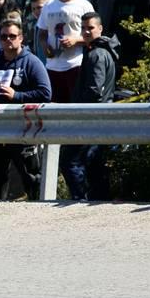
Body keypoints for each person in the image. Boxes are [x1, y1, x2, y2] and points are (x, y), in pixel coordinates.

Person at [0, 20, 52, 200]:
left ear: (21, 38)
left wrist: (16, 96)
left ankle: (37, 211)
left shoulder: (32, 62)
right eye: (4, 37)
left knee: (31, 177)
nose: (8, 39)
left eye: (12, 36)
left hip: (23, 130)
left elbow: (45, 93)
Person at [62, 12, 119, 200]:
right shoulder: (99, 51)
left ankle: (80, 200)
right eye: (83, 28)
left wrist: (80, 114)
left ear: (100, 29)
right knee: (95, 165)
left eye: (91, 28)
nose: (86, 31)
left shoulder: (97, 54)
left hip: (90, 119)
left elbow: (95, 91)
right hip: (98, 118)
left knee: (70, 161)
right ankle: (98, 203)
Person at [37, 0, 94, 103]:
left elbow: (95, 36)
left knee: (75, 106)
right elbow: (42, 33)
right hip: (52, 66)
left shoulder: (84, 5)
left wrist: (76, 40)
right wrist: (45, 47)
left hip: (76, 65)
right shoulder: (48, 5)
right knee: (54, 108)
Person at [29, 0, 52, 64]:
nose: (36, 11)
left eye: (39, 7)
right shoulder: (36, 25)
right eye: (33, 9)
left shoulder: (52, 24)